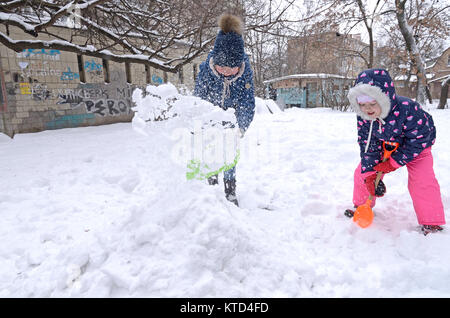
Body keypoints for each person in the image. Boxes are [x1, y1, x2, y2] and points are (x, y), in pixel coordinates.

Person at [347, 68, 445, 235]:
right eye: (362, 105)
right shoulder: (364, 116)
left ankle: (432, 222)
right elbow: (367, 143)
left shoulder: (408, 109)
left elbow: (419, 139)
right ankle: (362, 206)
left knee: (422, 180)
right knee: (363, 173)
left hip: (418, 146)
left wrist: (393, 163)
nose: (367, 109)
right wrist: (371, 171)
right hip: (387, 144)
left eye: (372, 104)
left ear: (384, 99)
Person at [194, 13, 255, 206]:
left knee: (229, 157)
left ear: (239, 65)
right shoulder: (206, 71)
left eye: (231, 69)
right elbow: (199, 100)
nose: (226, 72)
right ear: (215, 63)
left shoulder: (245, 74)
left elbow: (247, 104)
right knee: (211, 154)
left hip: (231, 124)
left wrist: (241, 128)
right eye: (222, 68)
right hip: (210, 123)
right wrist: (201, 123)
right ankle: (211, 189)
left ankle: (230, 191)